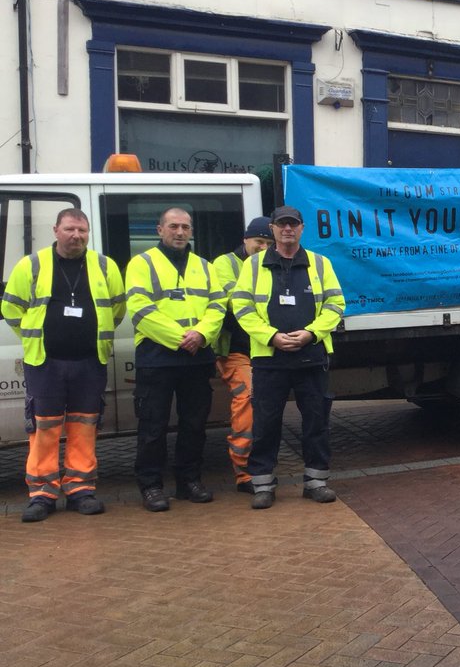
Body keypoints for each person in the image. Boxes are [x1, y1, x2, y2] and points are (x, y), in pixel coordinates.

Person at [2, 209, 125, 522]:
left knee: (84, 427)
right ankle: (42, 494)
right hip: (46, 362)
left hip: (89, 361)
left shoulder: (104, 265)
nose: (77, 236)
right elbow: (11, 308)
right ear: (56, 230)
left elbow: (117, 308)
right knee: (44, 428)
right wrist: (36, 337)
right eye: (70, 229)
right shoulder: (31, 265)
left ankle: (80, 489)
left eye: (82, 230)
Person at [231, 206, 346, 508]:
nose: (287, 229)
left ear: (302, 228)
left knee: (316, 421)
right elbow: (241, 308)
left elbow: (336, 305)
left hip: (311, 357)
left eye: (293, 224)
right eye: (281, 224)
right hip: (269, 359)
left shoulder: (320, 264)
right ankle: (263, 485)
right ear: (272, 229)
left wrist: (311, 333)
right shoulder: (253, 265)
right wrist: (270, 336)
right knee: (266, 424)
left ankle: (316, 483)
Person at [125, 207, 227, 511]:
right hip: (157, 359)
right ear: (159, 230)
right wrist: (183, 339)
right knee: (152, 427)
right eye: (173, 226)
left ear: (191, 231)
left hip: (196, 359)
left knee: (194, 425)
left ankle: (188, 481)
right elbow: (140, 309)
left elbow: (219, 306)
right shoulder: (140, 264)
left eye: (185, 227)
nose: (180, 232)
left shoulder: (206, 267)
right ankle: (151, 486)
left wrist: (202, 335)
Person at [212, 217, 273, 492]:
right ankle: (245, 473)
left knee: (267, 408)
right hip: (236, 351)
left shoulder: (271, 263)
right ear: (246, 239)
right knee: (248, 402)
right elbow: (233, 303)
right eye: (259, 242)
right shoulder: (225, 264)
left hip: (266, 348)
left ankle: (262, 465)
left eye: (268, 244)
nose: (263, 248)